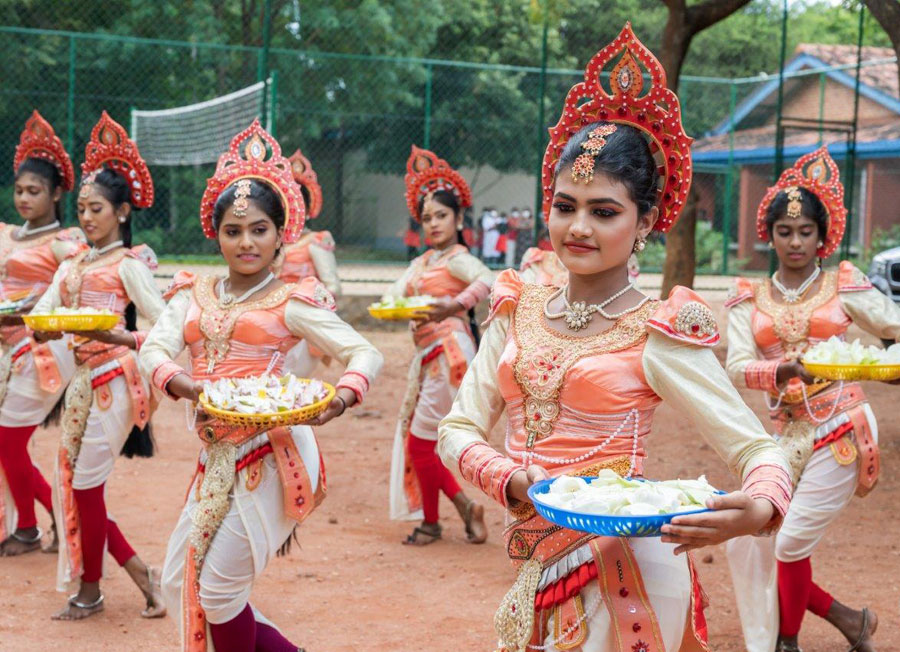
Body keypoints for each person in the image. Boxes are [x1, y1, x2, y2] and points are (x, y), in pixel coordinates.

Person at [437, 24, 792, 652]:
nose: (577, 227)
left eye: (603, 211)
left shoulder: (658, 333)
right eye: (565, 204)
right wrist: (516, 482)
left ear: (645, 221)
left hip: (630, 567)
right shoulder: (517, 307)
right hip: (536, 559)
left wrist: (761, 507)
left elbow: (758, 449)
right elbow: (458, 429)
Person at [139, 120, 383, 652]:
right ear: (217, 233)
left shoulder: (293, 299)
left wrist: (339, 400)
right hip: (216, 455)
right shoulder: (193, 292)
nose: (245, 242)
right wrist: (190, 389)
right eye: (233, 230)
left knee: (220, 592)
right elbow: (153, 350)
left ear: (280, 234)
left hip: (273, 453)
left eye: (258, 230)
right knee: (187, 582)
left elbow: (365, 352)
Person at [724, 146, 899, 652]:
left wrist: (891, 368)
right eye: (785, 231)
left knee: (792, 540)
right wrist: (781, 368)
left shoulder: (843, 285)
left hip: (842, 423)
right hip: (783, 435)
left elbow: (893, 327)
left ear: (823, 236)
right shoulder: (746, 298)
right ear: (770, 235)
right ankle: (850, 620)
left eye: (805, 231)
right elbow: (736, 367)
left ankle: (787, 642)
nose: (795, 241)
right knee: (766, 536)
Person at [29, 112, 165, 621]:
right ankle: (138, 576)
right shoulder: (72, 265)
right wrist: (41, 328)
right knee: (74, 485)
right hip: (82, 380)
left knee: (82, 486)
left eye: (98, 209)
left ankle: (94, 589)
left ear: (123, 212)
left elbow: (166, 328)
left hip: (118, 379)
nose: (87, 218)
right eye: (83, 209)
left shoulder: (128, 265)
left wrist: (121, 335)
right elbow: (44, 316)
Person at [387, 145, 493, 546]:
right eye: (427, 217)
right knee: (424, 441)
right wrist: (395, 310)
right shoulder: (422, 263)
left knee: (422, 441)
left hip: (449, 355)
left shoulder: (457, 260)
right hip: (429, 356)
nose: (433, 224)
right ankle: (461, 509)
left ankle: (438, 519)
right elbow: (392, 296)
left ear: (459, 218)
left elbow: (489, 279)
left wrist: (456, 304)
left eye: (441, 216)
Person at [0, 110, 85, 556]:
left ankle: (47, 521)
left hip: (40, 350)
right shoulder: (7, 233)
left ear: (55, 194)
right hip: (4, 348)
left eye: (34, 191)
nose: (24, 198)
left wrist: (38, 303)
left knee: (6, 441)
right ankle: (32, 526)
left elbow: (79, 282)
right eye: (19, 190)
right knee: (5, 444)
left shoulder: (65, 242)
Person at [272, 147, 341, 379]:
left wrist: (310, 310)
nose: (291, 211)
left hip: (302, 324)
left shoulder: (316, 241)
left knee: (290, 382)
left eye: (296, 205)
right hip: (271, 322)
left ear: (307, 209)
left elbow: (332, 287)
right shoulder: (270, 242)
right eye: (285, 204)